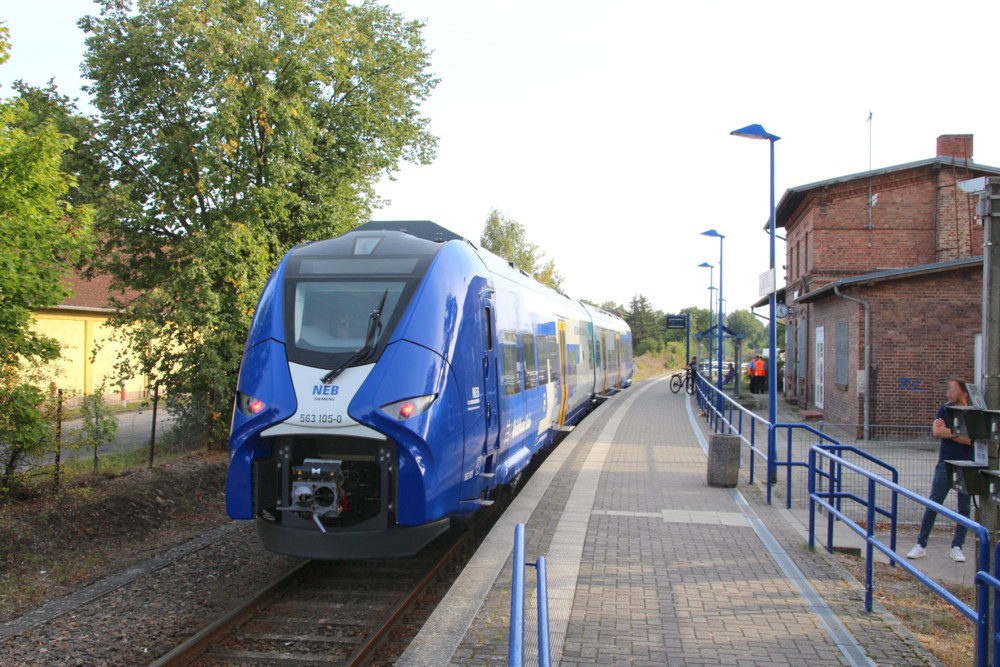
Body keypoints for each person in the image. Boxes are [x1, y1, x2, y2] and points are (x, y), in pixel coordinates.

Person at [906, 379, 974, 563]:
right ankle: (921, 544)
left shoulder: (972, 412)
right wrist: (958, 433)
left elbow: (970, 440)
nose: (948, 393)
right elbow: (937, 433)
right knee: (934, 502)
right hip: (945, 463)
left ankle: (957, 546)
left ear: (964, 392)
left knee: (964, 507)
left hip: (966, 465)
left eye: (952, 389)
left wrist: (948, 431)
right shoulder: (945, 409)